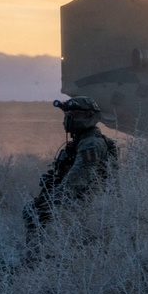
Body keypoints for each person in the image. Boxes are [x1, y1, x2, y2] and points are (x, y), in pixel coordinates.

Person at [23, 96, 117, 244]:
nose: (71, 119)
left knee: (37, 212)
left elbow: (77, 180)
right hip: (77, 200)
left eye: (77, 115)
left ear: (90, 117)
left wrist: (52, 203)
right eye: (69, 115)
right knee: (33, 209)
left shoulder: (91, 144)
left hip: (89, 202)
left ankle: (38, 257)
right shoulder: (79, 142)